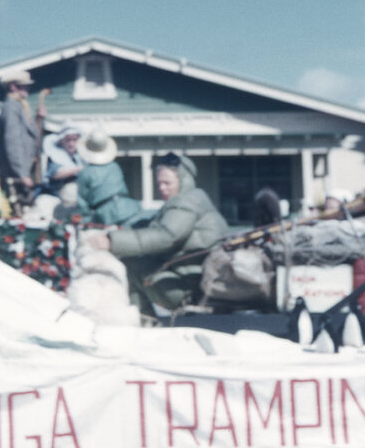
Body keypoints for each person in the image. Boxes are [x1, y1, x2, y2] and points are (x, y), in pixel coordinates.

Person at [86, 152, 228, 312]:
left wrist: (112, 241)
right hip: (198, 284)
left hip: (193, 291)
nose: (162, 188)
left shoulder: (186, 202)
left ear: (184, 180)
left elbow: (167, 236)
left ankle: (142, 322)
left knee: (132, 265)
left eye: (167, 183)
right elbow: (155, 226)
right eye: (159, 184)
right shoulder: (190, 200)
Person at [74, 130, 148, 226]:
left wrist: (86, 221)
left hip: (106, 215)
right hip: (128, 208)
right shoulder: (115, 166)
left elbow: (82, 203)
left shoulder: (85, 173)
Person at [0, 70, 45, 206]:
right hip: (16, 175)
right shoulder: (11, 107)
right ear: (13, 87)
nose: (28, 88)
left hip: (25, 171)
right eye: (24, 85)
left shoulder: (20, 106)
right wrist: (22, 174)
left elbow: (30, 135)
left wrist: (39, 119)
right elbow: (12, 142)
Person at [42, 125, 85, 198]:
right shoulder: (55, 155)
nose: (71, 144)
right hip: (59, 192)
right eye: (68, 140)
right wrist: (78, 169)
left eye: (74, 140)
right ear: (62, 141)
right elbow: (55, 174)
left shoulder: (78, 156)